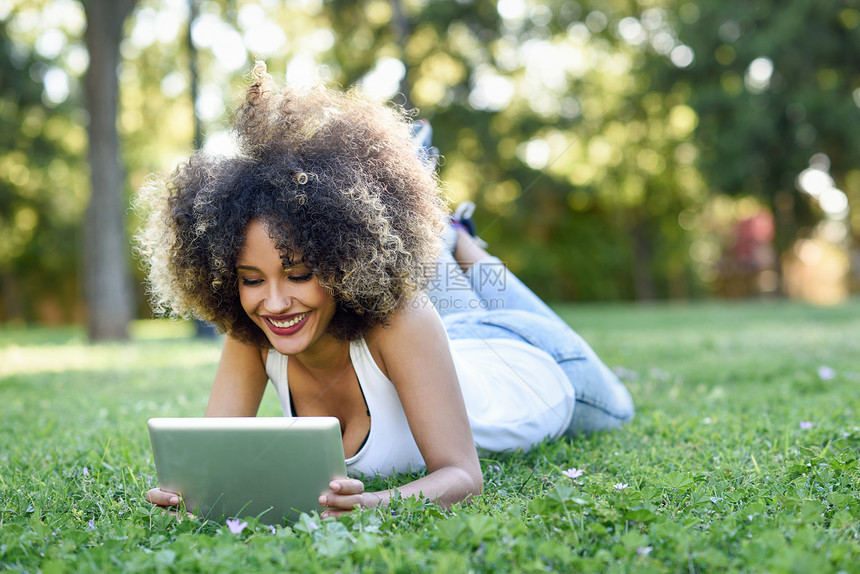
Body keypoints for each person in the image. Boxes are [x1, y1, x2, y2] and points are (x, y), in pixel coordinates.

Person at [137, 63, 633, 519]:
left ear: (341, 258)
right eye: (251, 279)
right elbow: (214, 460)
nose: (274, 301)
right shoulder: (254, 332)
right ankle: (448, 234)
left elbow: (463, 476)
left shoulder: (402, 320)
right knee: (435, 288)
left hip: (537, 365)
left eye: (299, 273)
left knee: (616, 400)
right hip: (452, 342)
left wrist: (374, 503)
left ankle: (454, 237)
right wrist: (188, 494)